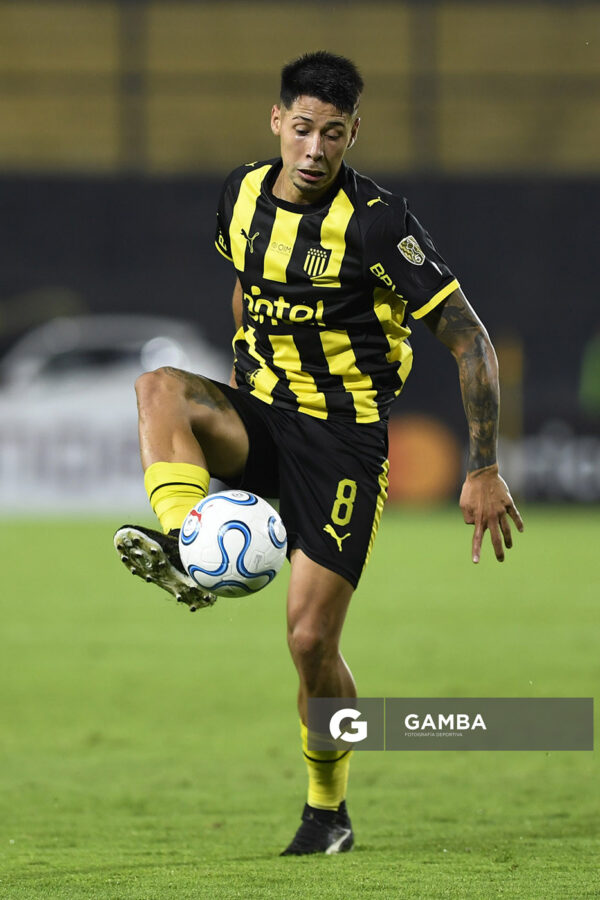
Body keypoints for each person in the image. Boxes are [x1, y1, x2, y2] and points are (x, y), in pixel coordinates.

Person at [114, 51, 523, 856]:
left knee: (309, 644)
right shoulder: (239, 194)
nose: (313, 149)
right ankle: (189, 546)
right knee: (160, 386)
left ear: (352, 134)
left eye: (331, 134)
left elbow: (471, 338)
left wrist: (482, 465)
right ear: (277, 123)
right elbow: (244, 287)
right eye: (301, 129)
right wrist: (240, 375)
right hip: (265, 415)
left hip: (341, 446)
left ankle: (327, 812)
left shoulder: (378, 223)